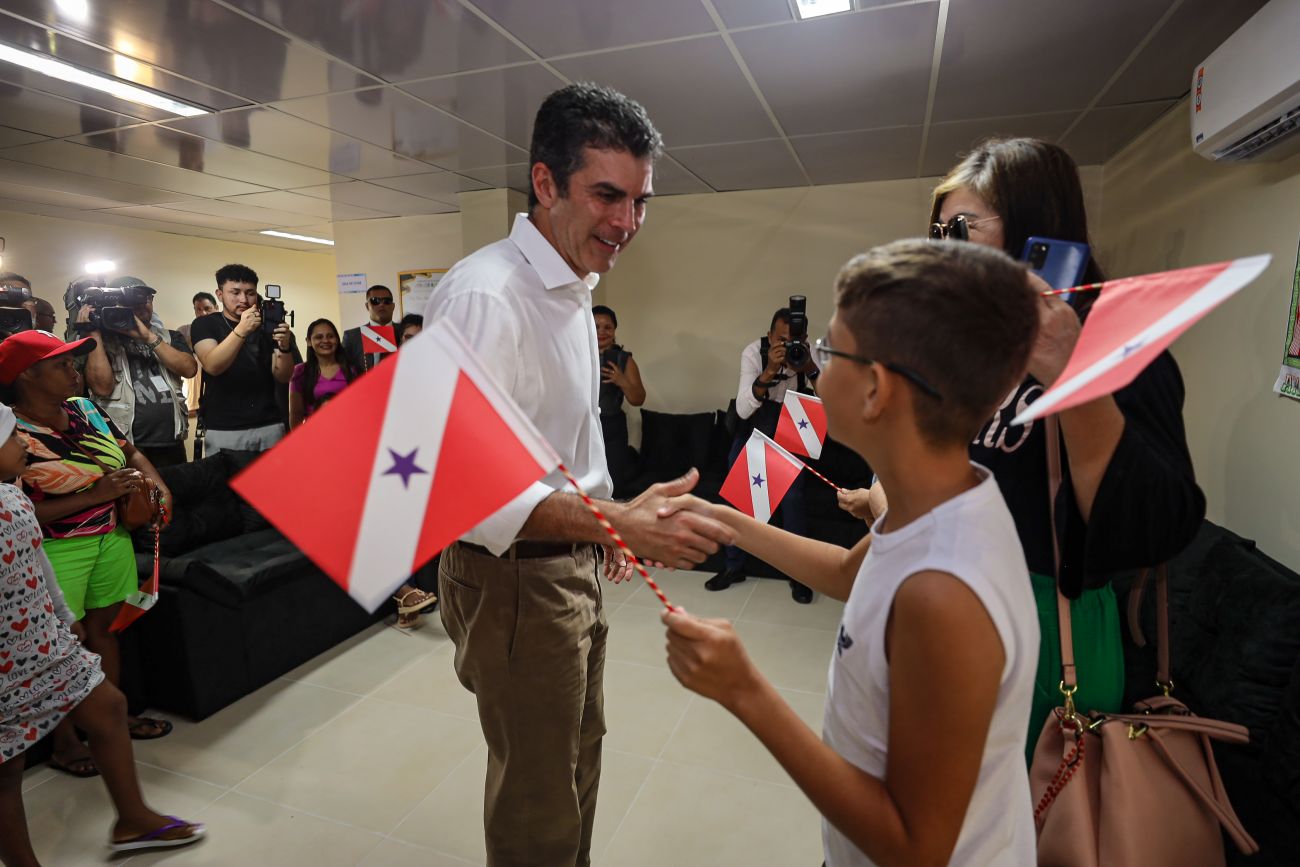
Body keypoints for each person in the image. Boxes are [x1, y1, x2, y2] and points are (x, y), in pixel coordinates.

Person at [424, 82, 733, 867]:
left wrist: (607, 521)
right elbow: (463, 488)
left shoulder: (571, 289)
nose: (627, 222)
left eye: (640, 200)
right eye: (607, 195)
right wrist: (613, 521)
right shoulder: (487, 295)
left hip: (570, 561)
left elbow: (560, 441)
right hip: (514, 580)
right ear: (545, 182)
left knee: (576, 761)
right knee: (538, 798)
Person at [662, 239, 1042, 866]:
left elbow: (915, 849)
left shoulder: (944, 592)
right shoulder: (936, 497)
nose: (815, 364)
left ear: (875, 391)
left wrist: (744, 689)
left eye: (829, 350)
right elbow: (846, 572)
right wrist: (728, 521)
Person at [839, 138, 1206, 755]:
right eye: (937, 231)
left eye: (960, 227)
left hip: (1048, 635)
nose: (942, 248)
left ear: (1036, 227)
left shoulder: (1115, 338)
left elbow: (1155, 529)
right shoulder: (983, 351)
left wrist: (1069, 374)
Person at [0, 404, 204, 862]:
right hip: (4, 662)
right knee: (6, 772)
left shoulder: (13, 499)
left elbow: (39, 566)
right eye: (11, 437)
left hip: (46, 644)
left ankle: (132, 819)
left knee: (109, 707)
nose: (22, 444)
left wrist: (62, 615)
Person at [0, 330, 175, 779]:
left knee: (105, 632)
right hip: (57, 549)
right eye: (61, 365)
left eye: (72, 362)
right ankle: (65, 742)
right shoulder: (10, 432)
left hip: (112, 535)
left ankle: (112, 720)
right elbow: (18, 511)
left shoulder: (85, 409)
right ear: (27, 375)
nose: (73, 371)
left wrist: (158, 484)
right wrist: (96, 494)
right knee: (61, 650)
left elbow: (130, 452)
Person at [708, 306, 820, 603]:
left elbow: (830, 400)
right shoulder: (753, 353)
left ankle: (800, 574)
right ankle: (734, 566)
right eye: (781, 339)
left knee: (793, 498)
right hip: (757, 420)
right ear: (769, 336)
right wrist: (770, 370)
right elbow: (743, 410)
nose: (789, 345)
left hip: (794, 420)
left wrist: (809, 367)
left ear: (805, 338)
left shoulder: (810, 353)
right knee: (738, 495)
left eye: (795, 340)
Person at [81, 276, 197, 468]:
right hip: (124, 444)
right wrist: (93, 333)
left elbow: (189, 369)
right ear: (115, 303)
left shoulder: (170, 337)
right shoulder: (103, 340)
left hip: (171, 442)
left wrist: (148, 337)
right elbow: (102, 388)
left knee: (176, 487)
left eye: (146, 298)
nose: (142, 304)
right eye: (132, 299)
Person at [189, 264, 295, 455]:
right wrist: (242, 330)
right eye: (235, 292)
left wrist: (285, 346)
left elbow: (284, 376)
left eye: (250, 293)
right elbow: (213, 365)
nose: (244, 299)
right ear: (220, 294)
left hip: (269, 423)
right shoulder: (205, 324)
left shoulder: (269, 324)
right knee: (224, 476)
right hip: (224, 427)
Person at [591, 304, 645, 497]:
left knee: (614, 481)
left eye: (608, 327)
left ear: (614, 331)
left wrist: (621, 380)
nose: (601, 332)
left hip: (612, 427)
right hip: (585, 426)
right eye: (596, 326)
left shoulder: (625, 360)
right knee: (585, 481)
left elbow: (638, 399)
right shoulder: (577, 354)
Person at [288, 318, 357, 429]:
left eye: (330, 336)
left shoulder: (351, 370)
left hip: (348, 431)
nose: (325, 341)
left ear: (337, 339)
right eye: (319, 337)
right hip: (314, 434)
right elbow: (296, 414)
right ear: (308, 341)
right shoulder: (300, 372)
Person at [342, 285, 399, 372]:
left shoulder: (405, 332)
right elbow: (344, 370)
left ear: (393, 306)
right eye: (375, 301)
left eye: (387, 301)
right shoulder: (352, 337)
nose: (381, 304)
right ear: (367, 306)